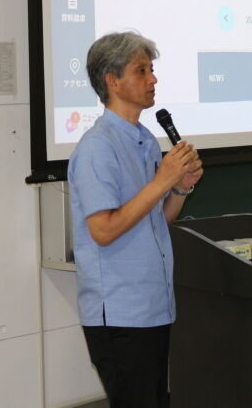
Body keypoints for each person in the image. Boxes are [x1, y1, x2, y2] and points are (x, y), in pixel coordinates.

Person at [68, 31, 203, 408]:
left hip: (153, 304)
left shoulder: (144, 139)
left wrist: (179, 188)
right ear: (112, 80)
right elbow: (104, 229)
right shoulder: (97, 147)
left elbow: (157, 221)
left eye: (151, 69)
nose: (153, 79)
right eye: (141, 70)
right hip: (120, 314)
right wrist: (162, 180)